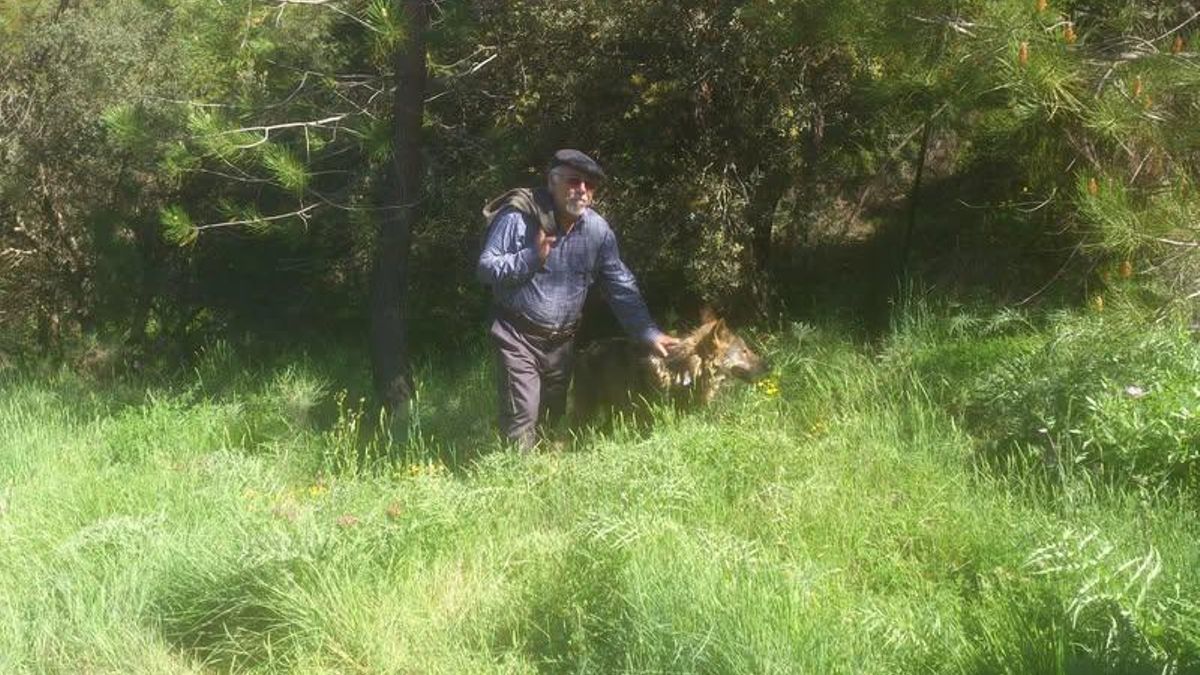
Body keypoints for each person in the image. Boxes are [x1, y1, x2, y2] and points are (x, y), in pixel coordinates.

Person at [477, 149, 677, 449]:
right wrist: (532, 256)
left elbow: (619, 284)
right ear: (552, 182)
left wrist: (647, 333)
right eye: (574, 181)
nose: (582, 190)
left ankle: (540, 483)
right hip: (517, 336)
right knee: (522, 418)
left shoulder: (597, 230)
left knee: (549, 417)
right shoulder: (519, 218)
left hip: (561, 344)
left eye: (590, 185)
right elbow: (486, 268)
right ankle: (516, 484)